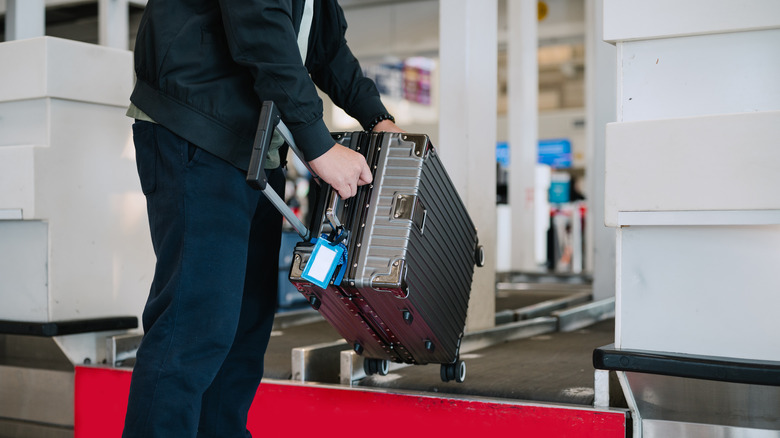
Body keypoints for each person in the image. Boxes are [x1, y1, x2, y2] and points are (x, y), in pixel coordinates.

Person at [122, 1, 402, 436]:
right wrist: (319, 144)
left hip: (253, 145)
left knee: (242, 332)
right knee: (195, 328)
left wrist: (376, 116)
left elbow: (324, 47)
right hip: (199, 129)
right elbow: (259, 22)